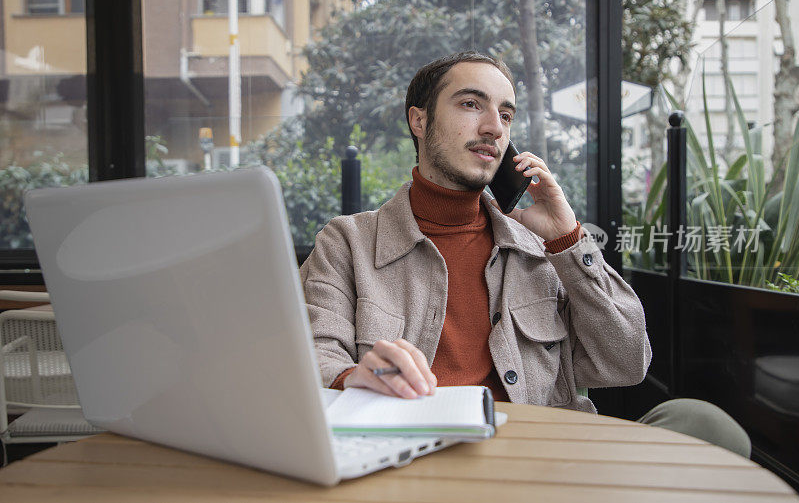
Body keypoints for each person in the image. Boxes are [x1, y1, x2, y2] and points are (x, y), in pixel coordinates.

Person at [300, 51, 750, 458]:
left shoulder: (540, 248)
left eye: (506, 114)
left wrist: (568, 241)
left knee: (706, 425)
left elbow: (627, 360)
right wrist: (353, 378)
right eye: (471, 104)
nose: (495, 127)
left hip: (547, 460)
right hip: (420, 463)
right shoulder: (348, 243)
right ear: (419, 121)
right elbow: (311, 357)